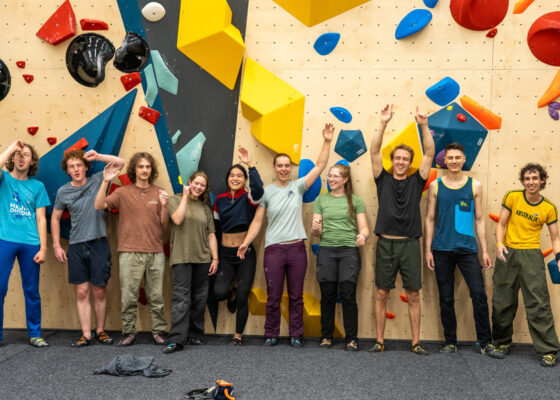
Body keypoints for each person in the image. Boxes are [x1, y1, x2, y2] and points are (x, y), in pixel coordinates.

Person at [238, 123, 335, 348]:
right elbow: (257, 221)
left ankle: (296, 334)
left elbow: (320, 166)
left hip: (296, 250)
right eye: (279, 165)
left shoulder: (299, 186)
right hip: (273, 250)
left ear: (291, 168)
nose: (283, 169)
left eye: (286, 165)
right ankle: (271, 333)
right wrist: (245, 243)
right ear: (274, 168)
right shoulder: (267, 193)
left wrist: (327, 141)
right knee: (273, 296)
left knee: (296, 296)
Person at [424, 143, 503, 358]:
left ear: (464, 159)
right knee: (446, 298)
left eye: (457, 157)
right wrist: (428, 250)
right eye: (450, 158)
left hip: (468, 250)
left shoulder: (475, 185)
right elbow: (430, 219)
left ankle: (486, 343)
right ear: (444, 160)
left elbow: (479, 220)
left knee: (479, 294)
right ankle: (450, 342)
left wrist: (484, 251)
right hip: (441, 249)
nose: (454, 161)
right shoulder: (436, 186)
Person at [368, 105, 435, 355]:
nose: (401, 162)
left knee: (414, 294)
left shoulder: (417, 181)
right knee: (381, 292)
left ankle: (415, 342)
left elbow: (429, 152)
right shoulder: (381, 178)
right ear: (393, 160)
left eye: (405, 159)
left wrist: (424, 125)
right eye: (397, 158)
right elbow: (374, 151)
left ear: (409, 163)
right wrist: (383, 122)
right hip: (385, 243)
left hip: (409, 245)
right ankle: (379, 341)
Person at [51, 149, 125, 347]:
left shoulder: (97, 179)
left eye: (78, 166)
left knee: (99, 291)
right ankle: (86, 334)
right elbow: (55, 218)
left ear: (85, 167)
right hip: (76, 245)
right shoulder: (63, 192)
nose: (75, 170)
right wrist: (57, 245)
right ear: (67, 170)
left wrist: (99, 157)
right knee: (82, 291)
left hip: (99, 242)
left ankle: (100, 330)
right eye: (71, 167)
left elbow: (120, 163)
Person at [94, 152, 169, 346]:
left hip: (155, 253)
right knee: (128, 296)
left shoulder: (159, 192)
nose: (144, 170)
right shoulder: (123, 192)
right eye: (141, 167)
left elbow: (164, 223)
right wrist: (105, 182)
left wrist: (165, 205)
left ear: (151, 170)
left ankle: (158, 332)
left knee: (156, 297)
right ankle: (128, 332)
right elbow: (99, 205)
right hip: (129, 251)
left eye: (148, 167)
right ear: (134, 169)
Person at [492, 163, 560, 367]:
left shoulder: (548, 207)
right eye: (527, 179)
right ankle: (501, 342)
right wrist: (499, 244)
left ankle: (548, 350)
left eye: (535, 178)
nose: (531, 182)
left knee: (538, 303)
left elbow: (555, 238)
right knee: (502, 301)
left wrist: (559, 257)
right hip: (508, 253)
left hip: (532, 256)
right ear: (523, 181)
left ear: (542, 181)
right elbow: (501, 224)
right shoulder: (512, 197)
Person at [311, 163, 369, 351]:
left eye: (336, 176)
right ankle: (326, 336)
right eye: (329, 176)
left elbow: (364, 228)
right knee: (327, 295)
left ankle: (351, 338)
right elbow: (316, 234)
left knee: (348, 294)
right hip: (326, 250)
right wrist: (316, 230)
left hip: (348, 252)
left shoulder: (356, 201)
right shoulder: (320, 200)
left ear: (345, 180)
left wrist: (363, 236)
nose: (331, 179)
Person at [0, 140, 50, 347]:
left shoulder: (37, 186)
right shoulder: (4, 179)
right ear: (13, 158)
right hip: (5, 240)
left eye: (26, 154)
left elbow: (41, 219)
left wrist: (44, 248)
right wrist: (13, 147)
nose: (21, 157)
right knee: (0, 288)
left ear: (32, 161)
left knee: (31, 289)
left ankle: (35, 333)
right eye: (18, 154)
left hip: (31, 243)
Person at [213, 147, 264, 346]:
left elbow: (259, 189)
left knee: (243, 296)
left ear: (244, 180)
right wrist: (215, 256)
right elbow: (216, 230)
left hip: (245, 254)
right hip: (225, 255)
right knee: (219, 293)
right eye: (232, 175)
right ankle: (230, 291)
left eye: (239, 176)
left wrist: (250, 165)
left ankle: (238, 335)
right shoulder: (219, 200)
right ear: (227, 179)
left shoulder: (249, 197)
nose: (235, 178)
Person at [164, 171, 219, 354]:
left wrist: (215, 258)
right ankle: (176, 339)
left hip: (202, 258)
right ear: (189, 183)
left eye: (202, 185)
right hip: (181, 257)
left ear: (205, 188)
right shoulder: (174, 200)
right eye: (196, 183)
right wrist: (186, 197)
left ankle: (195, 334)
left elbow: (211, 234)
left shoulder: (205, 208)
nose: (198, 187)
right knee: (181, 298)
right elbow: (177, 219)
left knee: (200, 298)